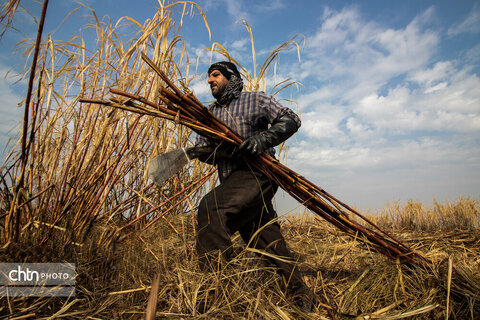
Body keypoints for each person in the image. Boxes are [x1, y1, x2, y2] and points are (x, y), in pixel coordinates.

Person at [194, 61, 314, 311]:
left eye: (215, 75)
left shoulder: (255, 100)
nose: (209, 80)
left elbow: (291, 119)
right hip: (233, 183)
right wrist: (215, 151)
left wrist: (263, 139)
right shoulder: (210, 114)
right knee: (264, 237)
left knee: (211, 208)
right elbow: (204, 151)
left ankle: (220, 289)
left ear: (232, 77)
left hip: (259, 174)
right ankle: (300, 290)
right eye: (208, 76)